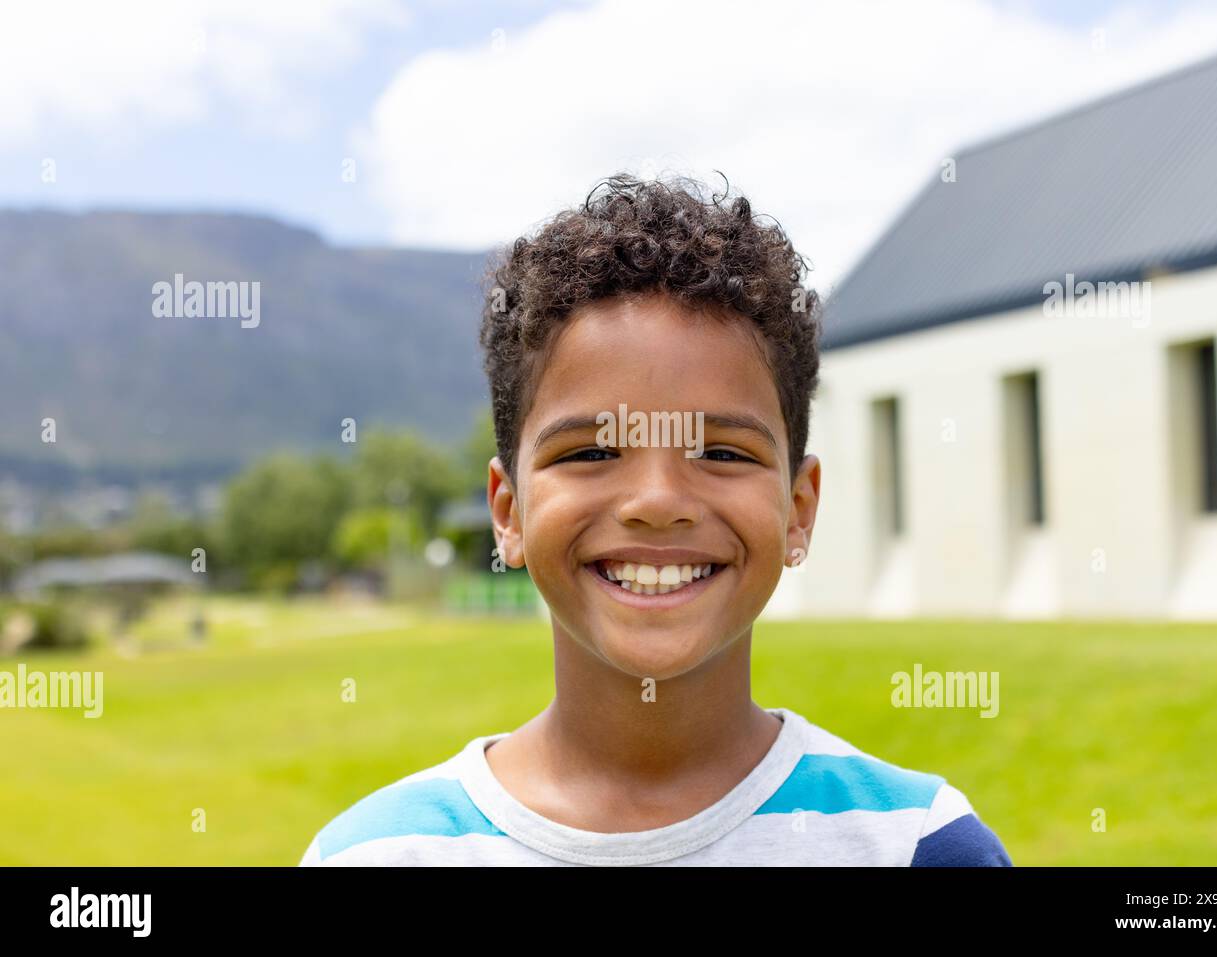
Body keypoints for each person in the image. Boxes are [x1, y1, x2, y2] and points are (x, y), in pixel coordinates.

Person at [299, 174, 1011, 866]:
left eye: (723, 451)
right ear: (507, 512)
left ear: (799, 509)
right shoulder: (377, 853)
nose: (658, 499)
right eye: (594, 449)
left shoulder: (919, 844)